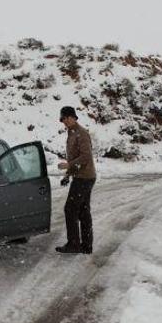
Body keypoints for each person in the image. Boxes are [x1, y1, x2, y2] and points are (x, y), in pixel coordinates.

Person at [56, 106, 96, 254]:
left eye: (66, 118)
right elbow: (74, 157)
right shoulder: (72, 133)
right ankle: (86, 246)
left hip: (84, 177)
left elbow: (86, 157)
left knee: (70, 209)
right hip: (82, 176)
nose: (64, 122)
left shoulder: (81, 134)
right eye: (62, 119)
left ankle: (74, 244)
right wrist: (68, 174)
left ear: (73, 117)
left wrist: (69, 165)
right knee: (83, 211)